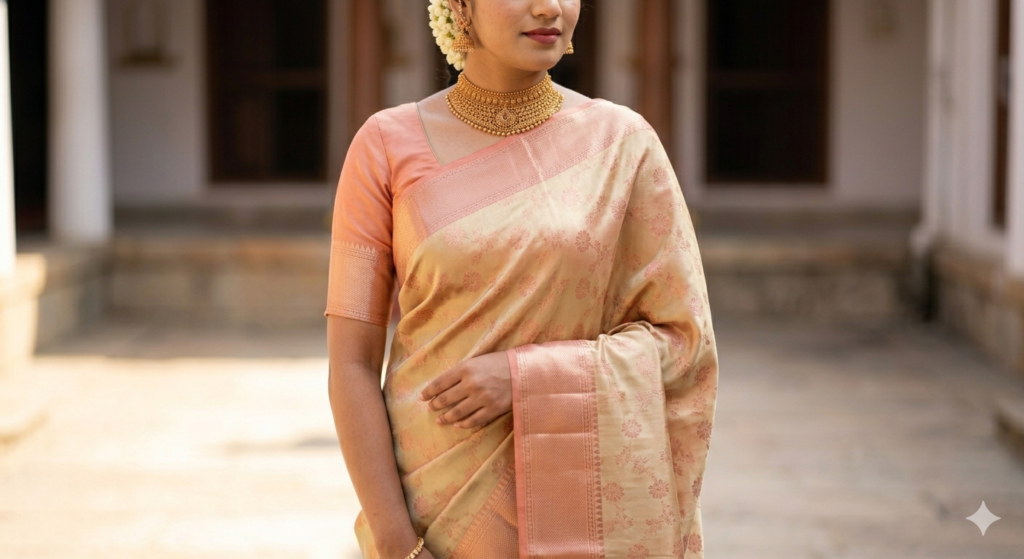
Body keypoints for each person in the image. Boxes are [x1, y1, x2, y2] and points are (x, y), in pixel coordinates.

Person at [325, 1, 719, 557]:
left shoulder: (622, 145)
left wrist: (526, 379)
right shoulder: (384, 146)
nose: (550, 7)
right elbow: (351, 363)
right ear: (460, 6)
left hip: (579, 499)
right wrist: (395, 541)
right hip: (429, 508)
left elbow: (684, 344)